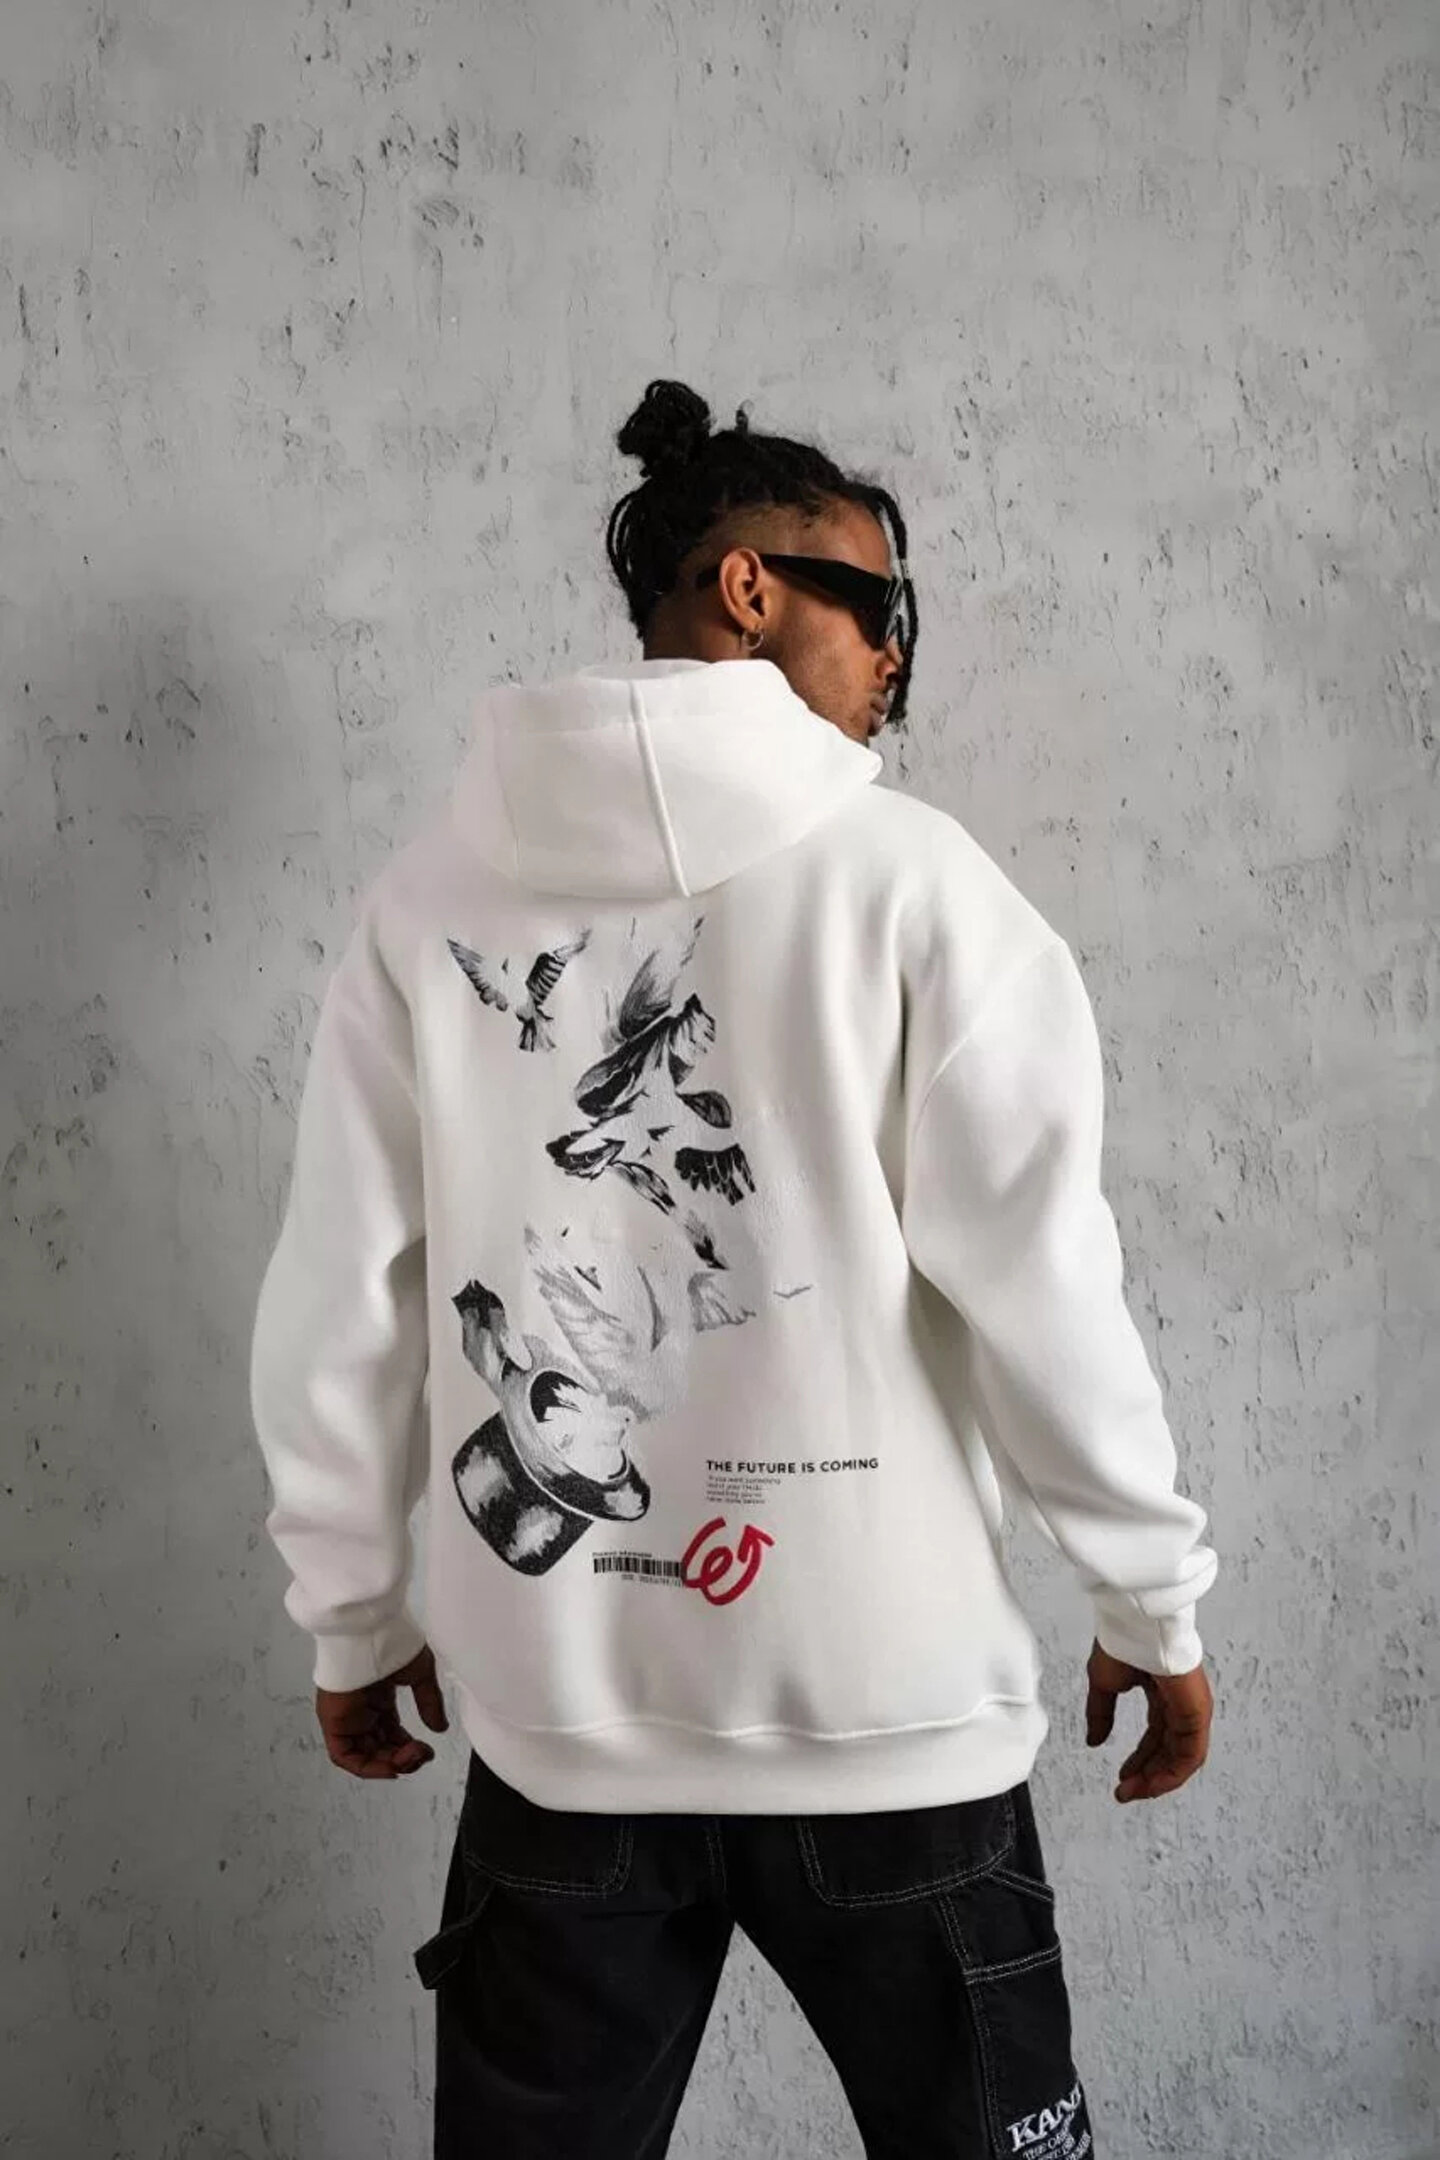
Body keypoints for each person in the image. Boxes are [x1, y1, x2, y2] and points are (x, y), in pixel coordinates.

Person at [248, 376, 1218, 2159]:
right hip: (890, 1724)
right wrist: (1149, 1599)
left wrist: (353, 1612)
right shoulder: (922, 888)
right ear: (752, 589)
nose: (897, 660)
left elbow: (343, 1300)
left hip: (566, 1719)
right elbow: (1045, 1284)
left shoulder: (423, 905)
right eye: (881, 605)